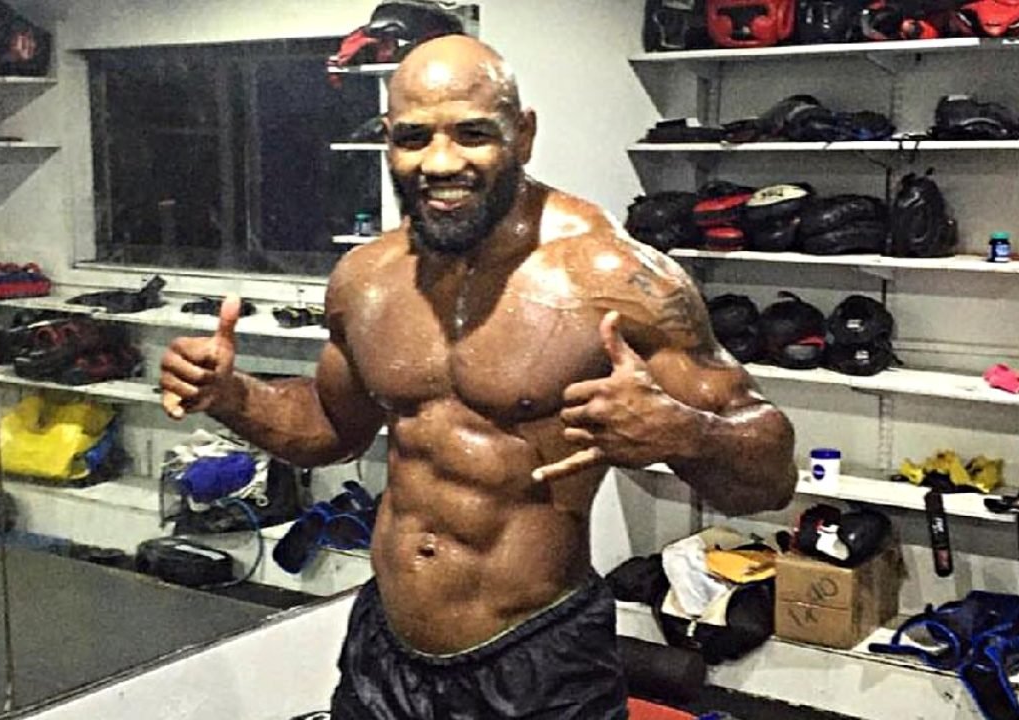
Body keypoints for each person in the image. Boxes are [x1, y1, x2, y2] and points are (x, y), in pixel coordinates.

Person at [161, 34, 797, 720]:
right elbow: (331, 428)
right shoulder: (365, 279)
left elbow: (771, 479)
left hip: (538, 654)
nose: (440, 162)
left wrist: (689, 434)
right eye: (414, 137)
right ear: (388, 139)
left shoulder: (612, 277)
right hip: (385, 648)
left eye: (472, 133)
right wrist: (232, 396)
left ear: (522, 134)